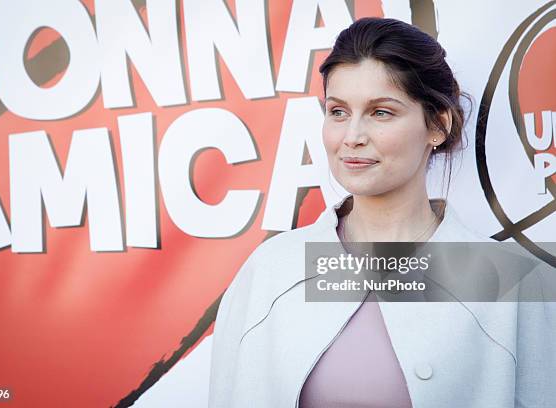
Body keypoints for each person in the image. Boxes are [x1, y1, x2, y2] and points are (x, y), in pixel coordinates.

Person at [208, 17, 555, 408]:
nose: (352, 136)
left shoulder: (515, 285)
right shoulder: (268, 271)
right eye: (338, 112)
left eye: (381, 112)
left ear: (438, 125)